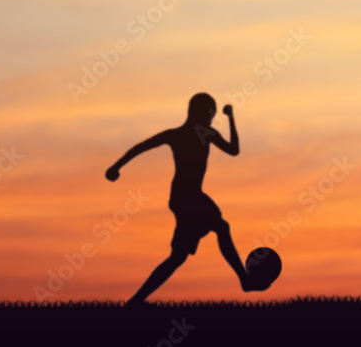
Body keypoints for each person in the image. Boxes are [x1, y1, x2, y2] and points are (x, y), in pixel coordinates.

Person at [106, 93, 256, 305]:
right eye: (210, 114)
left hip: (187, 197)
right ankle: (244, 281)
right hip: (186, 198)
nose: (212, 118)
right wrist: (115, 167)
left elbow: (233, 151)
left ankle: (136, 301)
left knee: (183, 254)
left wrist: (116, 167)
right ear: (203, 114)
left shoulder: (193, 134)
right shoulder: (191, 134)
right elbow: (143, 146)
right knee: (214, 232)